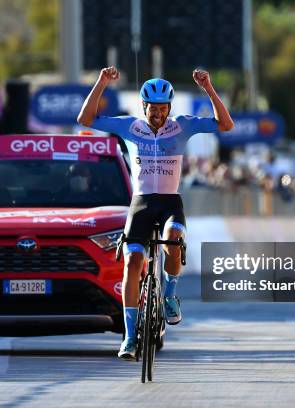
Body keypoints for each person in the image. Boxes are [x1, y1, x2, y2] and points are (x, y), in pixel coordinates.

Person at [77, 66, 234, 359]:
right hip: (142, 204)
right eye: (153, 108)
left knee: (174, 238)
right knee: (133, 261)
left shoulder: (182, 125)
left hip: (170, 202)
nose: (158, 114)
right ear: (144, 106)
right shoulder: (129, 126)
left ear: (169, 108)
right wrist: (101, 83)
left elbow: (225, 125)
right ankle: (129, 336)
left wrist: (209, 89)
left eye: (163, 108)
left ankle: (170, 295)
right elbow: (84, 119)